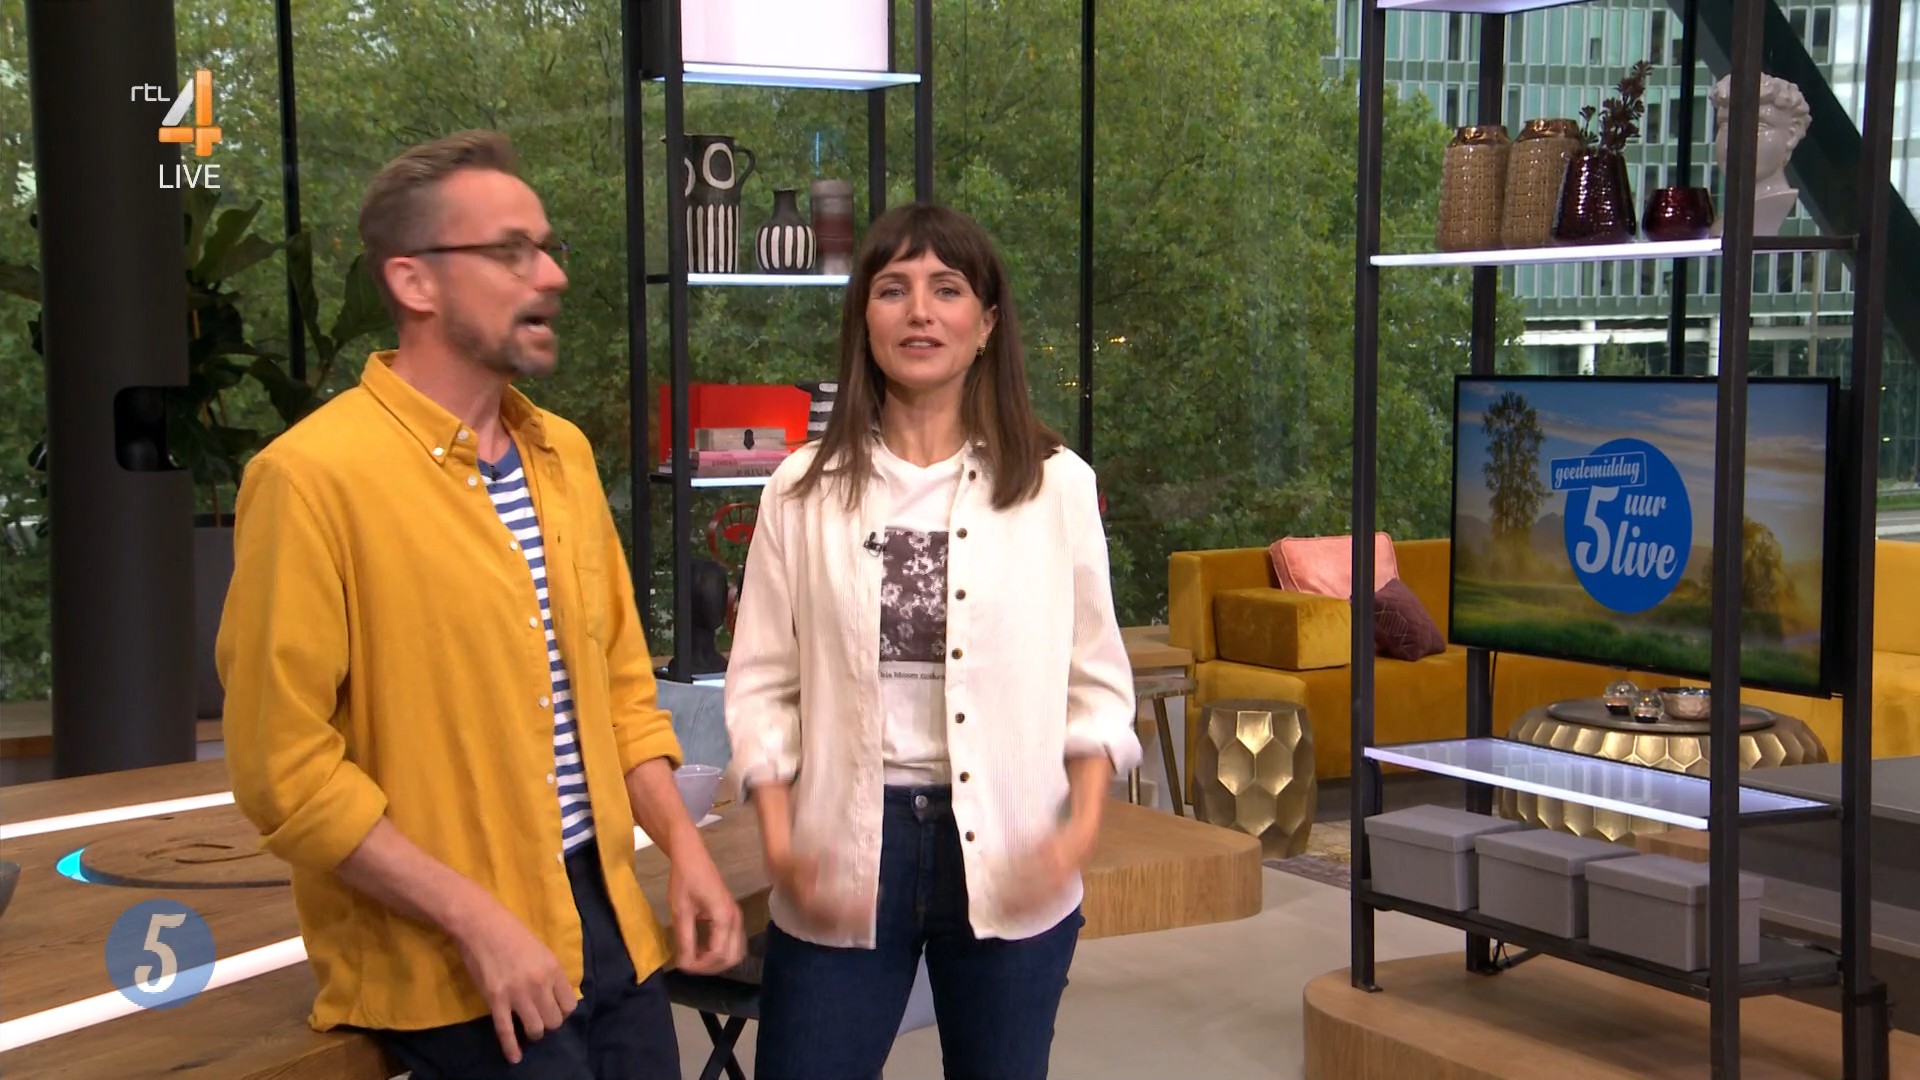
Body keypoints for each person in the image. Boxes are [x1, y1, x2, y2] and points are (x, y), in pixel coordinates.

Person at [217, 129, 745, 1080]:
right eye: (512, 252)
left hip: (610, 924)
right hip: (455, 960)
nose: (552, 275)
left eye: (548, 248)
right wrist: (475, 919)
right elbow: (283, 771)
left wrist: (683, 850)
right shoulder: (308, 480)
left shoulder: (563, 456)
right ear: (414, 281)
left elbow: (623, 692)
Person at [724, 202, 1142, 1079]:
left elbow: (1096, 684)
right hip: (844, 845)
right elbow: (762, 685)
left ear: (986, 324)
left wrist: (1077, 833)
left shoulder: (1057, 487)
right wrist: (780, 842)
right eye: (893, 290)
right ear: (864, 320)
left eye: (946, 290)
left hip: (1012, 845)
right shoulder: (799, 492)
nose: (920, 312)